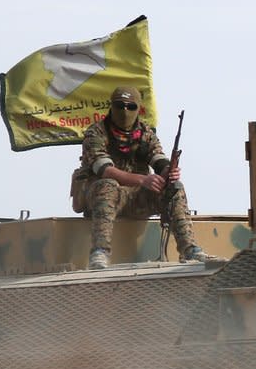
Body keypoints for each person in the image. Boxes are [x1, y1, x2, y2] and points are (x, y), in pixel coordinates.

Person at [71, 86, 211, 269]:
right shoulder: (96, 133)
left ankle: (189, 249)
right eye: (120, 106)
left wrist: (169, 171)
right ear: (111, 106)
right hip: (103, 199)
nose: (125, 111)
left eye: (130, 107)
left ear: (138, 109)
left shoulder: (145, 133)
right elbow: (104, 169)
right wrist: (143, 180)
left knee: (175, 187)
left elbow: (158, 159)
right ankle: (100, 252)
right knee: (107, 184)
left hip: (137, 199)